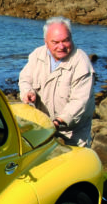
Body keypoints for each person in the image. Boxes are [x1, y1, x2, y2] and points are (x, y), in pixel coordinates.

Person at [18, 16, 95, 147]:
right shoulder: (37, 55)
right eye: (55, 42)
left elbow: (80, 101)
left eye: (66, 41)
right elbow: (25, 79)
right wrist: (27, 92)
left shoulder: (81, 62)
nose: (61, 46)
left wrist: (59, 121)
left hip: (73, 131)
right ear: (46, 42)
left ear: (71, 37)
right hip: (43, 125)